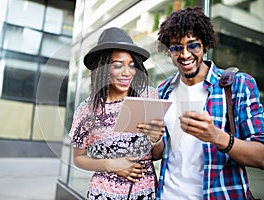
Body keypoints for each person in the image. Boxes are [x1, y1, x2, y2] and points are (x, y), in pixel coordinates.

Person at [149, 7, 264, 199]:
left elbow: (261, 156)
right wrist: (154, 139)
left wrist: (217, 136)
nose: (185, 54)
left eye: (192, 45)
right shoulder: (162, 92)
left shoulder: (238, 85)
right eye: (176, 47)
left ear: (205, 45)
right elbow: (158, 153)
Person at [69, 27, 164, 199]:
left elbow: (157, 154)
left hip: (145, 193)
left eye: (132, 66)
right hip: (104, 194)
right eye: (118, 65)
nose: (127, 73)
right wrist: (111, 164)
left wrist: (155, 139)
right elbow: (78, 158)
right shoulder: (86, 110)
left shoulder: (148, 97)